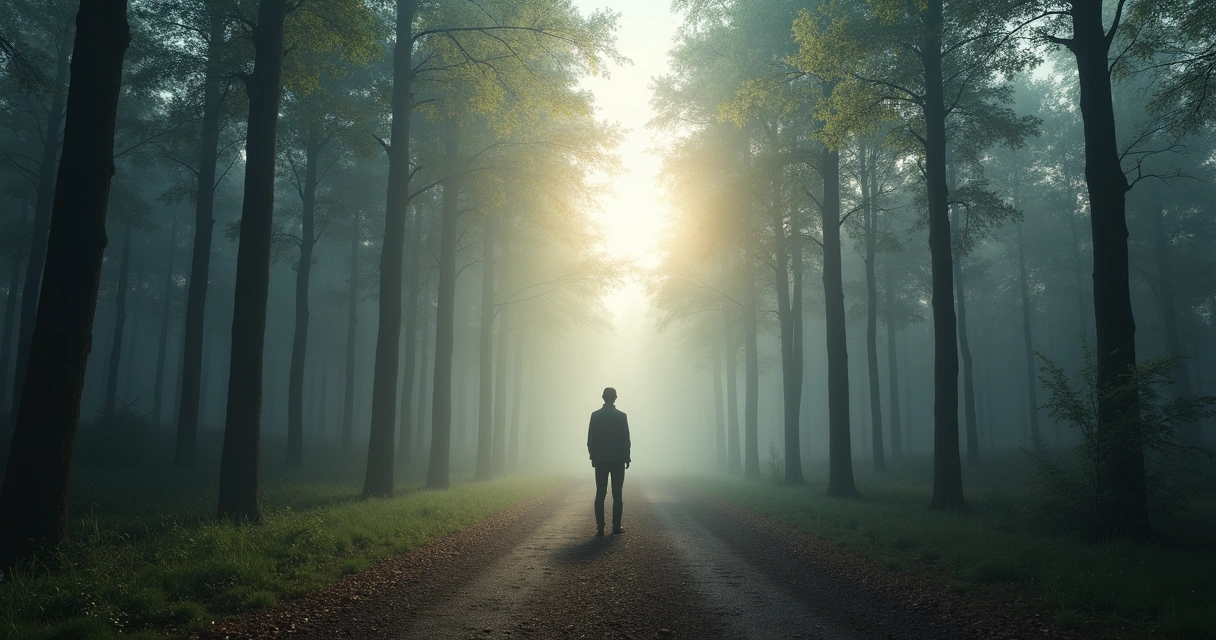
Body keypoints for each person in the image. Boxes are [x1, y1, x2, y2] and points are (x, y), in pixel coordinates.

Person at [587, 386, 630, 536]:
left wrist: (592, 456)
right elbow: (626, 439)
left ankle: (600, 527)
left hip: (600, 459)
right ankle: (616, 527)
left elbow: (590, 439)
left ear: (603, 397)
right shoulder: (621, 416)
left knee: (600, 494)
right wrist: (627, 456)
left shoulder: (595, 415)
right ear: (615, 398)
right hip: (618, 459)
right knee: (617, 494)